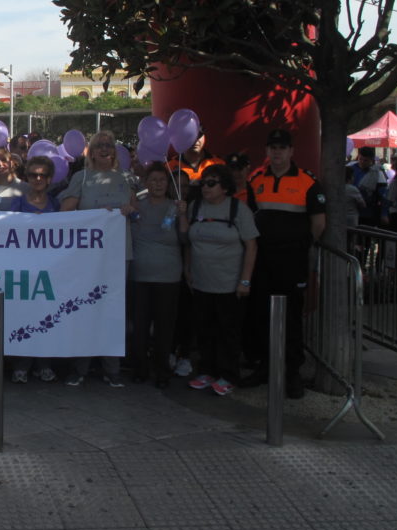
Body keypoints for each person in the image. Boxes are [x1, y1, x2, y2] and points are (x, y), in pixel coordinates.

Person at [244, 128, 326, 399]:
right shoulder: (256, 180)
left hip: (292, 260)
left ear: (291, 151)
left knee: (291, 317)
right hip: (263, 259)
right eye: (272, 148)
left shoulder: (308, 182)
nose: (277, 152)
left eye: (282, 148)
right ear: (267, 151)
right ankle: (265, 367)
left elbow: (318, 224)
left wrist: (298, 244)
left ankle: (292, 373)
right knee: (260, 313)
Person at [58, 129, 136, 388]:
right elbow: (65, 211)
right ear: (90, 151)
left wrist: (129, 210)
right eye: (99, 145)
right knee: (84, 307)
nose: (105, 149)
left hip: (118, 255)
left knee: (113, 311)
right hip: (87, 258)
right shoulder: (82, 177)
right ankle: (80, 367)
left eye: (109, 145)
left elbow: (138, 208)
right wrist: (94, 215)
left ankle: (112, 369)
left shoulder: (126, 178)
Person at [182, 164, 258, 397]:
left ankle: (228, 375)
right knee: (204, 329)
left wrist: (245, 280)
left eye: (211, 183)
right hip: (201, 282)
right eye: (203, 182)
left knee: (228, 331)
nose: (205, 187)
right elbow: (188, 241)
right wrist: (187, 270)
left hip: (229, 284)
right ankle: (206, 371)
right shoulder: (195, 207)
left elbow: (251, 246)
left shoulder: (238, 210)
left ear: (224, 187)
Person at [129, 162, 184, 388]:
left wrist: (184, 216)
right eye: (153, 180)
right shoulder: (136, 207)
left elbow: (185, 239)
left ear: (168, 184)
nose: (158, 184)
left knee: (164, 328)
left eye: (162, 180)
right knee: (139, 327)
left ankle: (162, 370)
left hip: (168, 278)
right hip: (139, 277)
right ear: (146, 183)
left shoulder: (176, 207)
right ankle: (140, 369)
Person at [7, 154, 59, 384]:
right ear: (26, 177)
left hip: (49, 270)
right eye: (33, 174)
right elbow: (6, 231)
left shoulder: (56, 204)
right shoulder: (17, 203)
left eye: (42, 175)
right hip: (24, 271)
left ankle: (44, 363)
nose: (37, 178)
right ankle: (22, 364)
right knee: (24, 317)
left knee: (47, 318)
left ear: (49, 179)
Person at [348, 147, 388, 227]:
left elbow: (383, 195)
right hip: (351, 210)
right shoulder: (350, 168)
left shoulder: (378, 173)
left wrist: (384, 213)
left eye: (365, 160)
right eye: (360, 159)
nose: (362, 162)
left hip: (369, 211)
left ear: (372, 160)